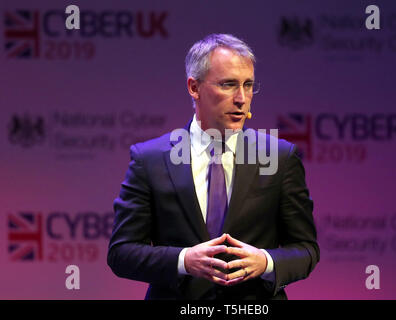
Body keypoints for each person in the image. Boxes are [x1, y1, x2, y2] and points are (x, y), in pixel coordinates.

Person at [107, 34, 319, 300]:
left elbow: (306, 249)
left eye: (249, 85)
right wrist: (184, 260)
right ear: (194, 88)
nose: (242, 98)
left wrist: (266, 262)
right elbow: (121, 252)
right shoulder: (149, 159)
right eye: (229, 85)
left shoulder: (279, 157)